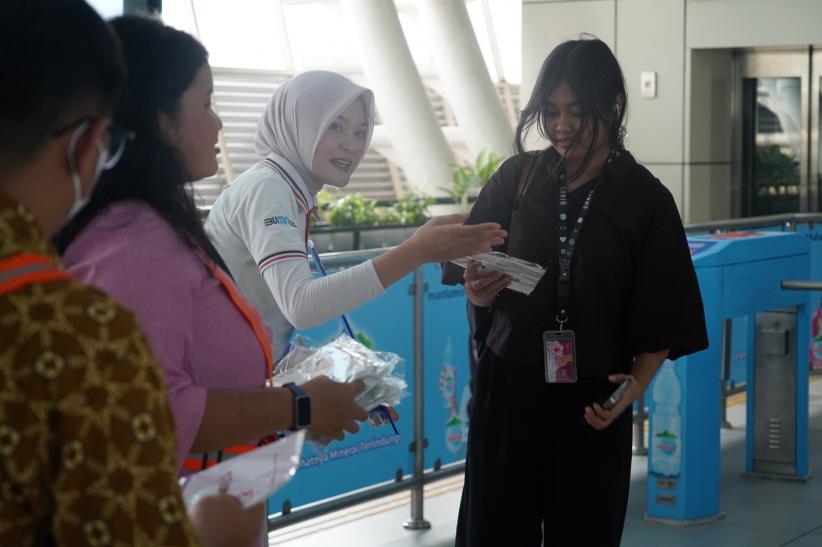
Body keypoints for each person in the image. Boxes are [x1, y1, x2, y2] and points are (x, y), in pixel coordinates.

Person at [55, 15, 368, 485]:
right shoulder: (136, 241)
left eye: (360, 132)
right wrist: (300, 405)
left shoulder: (159, 226)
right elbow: (151, 412)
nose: (219, 122)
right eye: (205, 104)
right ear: (162, 120)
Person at [0, 1, 260, 545]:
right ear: (85, 144)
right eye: (207, 103)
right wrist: (214, 528)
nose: (217, 123)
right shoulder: (77, 329)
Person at [443, 38, 708, 547]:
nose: (561, 126)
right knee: (493, 531)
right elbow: (470, 273)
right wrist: (477, 292)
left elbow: (666, 305)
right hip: (509, 388)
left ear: (614, 105)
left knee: (584, 532)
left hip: (593, 401)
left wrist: (635, 386)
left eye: (577, 112)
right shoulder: (517, 178)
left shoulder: (645, 198)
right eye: (551, 111)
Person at [203, 71, 507, 362]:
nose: (351, 144)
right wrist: (416, 252)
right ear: (300, 123)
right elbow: (301, 306)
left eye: (361, 132)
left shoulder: (283, 188)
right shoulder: (268, 188)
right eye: (336, 125)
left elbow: (265, 319)